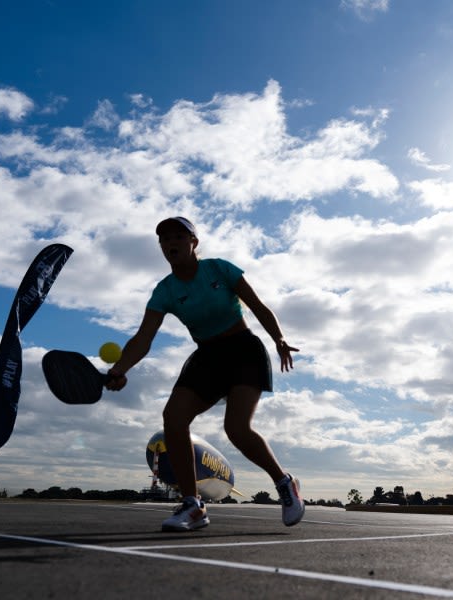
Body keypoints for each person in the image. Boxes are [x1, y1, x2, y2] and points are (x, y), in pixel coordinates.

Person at [105, 216, 305, 532]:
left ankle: (284, 482)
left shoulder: (219, 269)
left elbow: (258, 306)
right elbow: (143, 338)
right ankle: (193, 505)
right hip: (207, 357)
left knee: (237, 429)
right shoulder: (165, 291)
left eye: (178, 237)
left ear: (193, 242)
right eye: (164, 239)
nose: (170, 243)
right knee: (173, 417)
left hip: (242, 350)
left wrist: (278, 339)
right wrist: (119, 370)